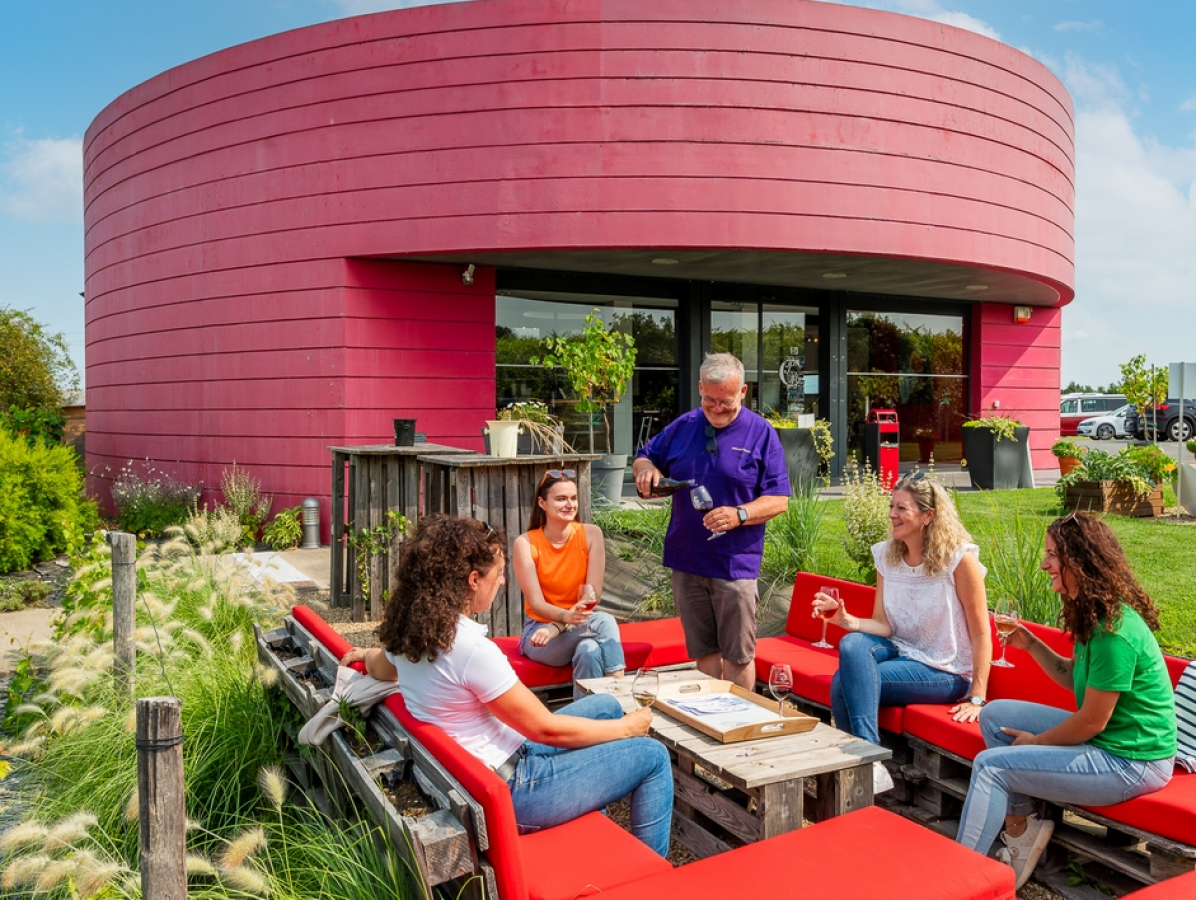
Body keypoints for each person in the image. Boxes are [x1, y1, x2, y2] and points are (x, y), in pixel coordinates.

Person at [339, 514, 673, 857]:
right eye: (498, 574)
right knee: (653, 755)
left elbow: (382, 667)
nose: (501, 583)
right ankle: (650, 879)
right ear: (473, 579)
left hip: (490, 766)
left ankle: (597, 805)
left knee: (606, 706)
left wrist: (364, 652)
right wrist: (626, 729)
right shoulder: (470, 649)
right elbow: (547, 729)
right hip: (516, 790)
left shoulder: (413, 632)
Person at [955, 512, 1175, 888]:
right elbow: (1075, 676)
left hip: (1132, 763)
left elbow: (1092, 721)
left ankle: (959, 883)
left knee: (992, 767)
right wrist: (1032, 645)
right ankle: (1023, 827)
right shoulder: (1096, 615)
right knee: (994, 715)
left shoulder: (1115, 633)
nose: (1044, 564)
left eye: (1053, 555)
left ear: (1080, 561)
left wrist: (1035, 743)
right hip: (1108, 743)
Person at [816, 472, 992, 793]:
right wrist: (846, 619)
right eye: (891, 506)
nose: (891, 515)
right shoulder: (887, 555)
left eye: (902, 508)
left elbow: (982, 633)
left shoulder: (959, 560)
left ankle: (863, 764)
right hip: (901, 651)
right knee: (852, 642)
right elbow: (883, 625)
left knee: (845, 682)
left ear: (928, 516)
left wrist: (978, 697)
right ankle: (870, 762)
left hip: (945, 670)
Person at [633, 352, 790, 689]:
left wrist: (740, 514)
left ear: (744, 391)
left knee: (737, 655)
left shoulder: (761, 434)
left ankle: (739, 725)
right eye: (709, 400)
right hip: (687, 560)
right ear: (700, 388)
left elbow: (779, 500)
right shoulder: (684, 426)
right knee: (704, 651)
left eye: (727, 402)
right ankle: (710, 722)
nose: (717, 408)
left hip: (735, 564)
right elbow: (645, 456)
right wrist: (646, 471)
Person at [513, 468, 624, 698]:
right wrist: (557, 622)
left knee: (589, 650)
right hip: (539, 632)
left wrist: (559, 626)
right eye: (561, 499)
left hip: (573, 625)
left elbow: (591, 597)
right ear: (542, 503)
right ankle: (620, 694)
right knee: (605, 621)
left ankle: (586, 721)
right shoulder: (525, 543)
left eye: (573, 498)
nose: (569, 504)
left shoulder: (591, 534)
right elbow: (536, 604)